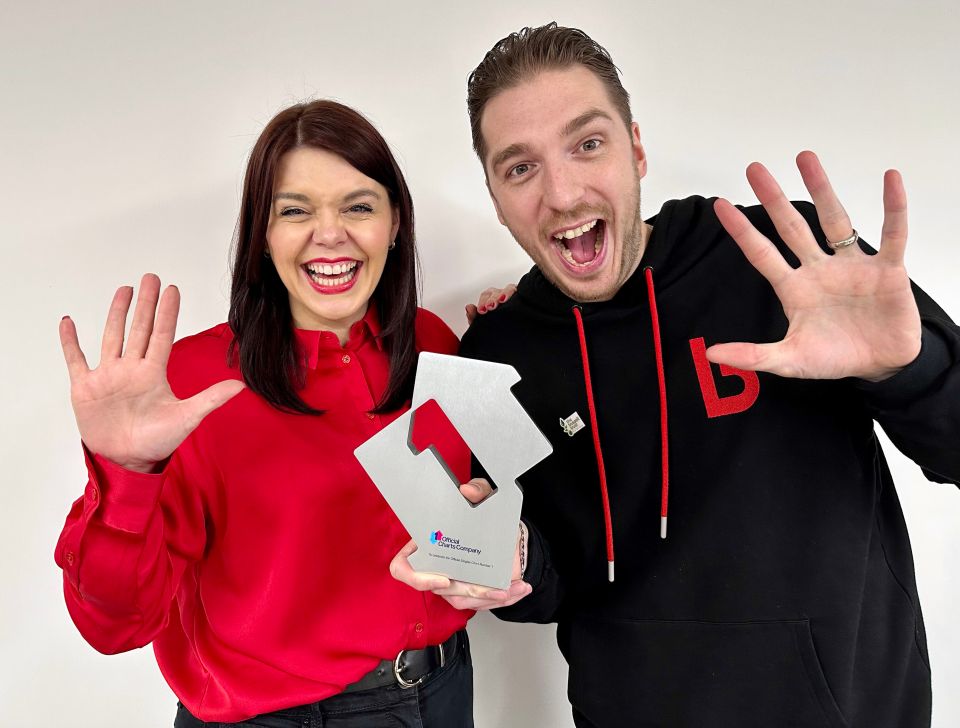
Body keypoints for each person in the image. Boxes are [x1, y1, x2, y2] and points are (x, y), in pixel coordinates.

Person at [391, 23, 960, 727]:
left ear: (635, 148)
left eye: (587, 144)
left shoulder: (786, 263)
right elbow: (549, 582)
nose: (563, 194)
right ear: (496, 194)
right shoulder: (489, 360)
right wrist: (514, 564)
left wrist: (909, 370)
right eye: (520, 167)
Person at [55, 100, 478, 727]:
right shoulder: (189, 388)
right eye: (295, 210)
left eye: (358, 206)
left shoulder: (435, 342)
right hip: (282, 718)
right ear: (263, 234)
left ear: (395, 224)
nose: (329, 233)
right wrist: (126, 474)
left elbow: (474, 514)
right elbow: (114, 628)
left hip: (443, 688)